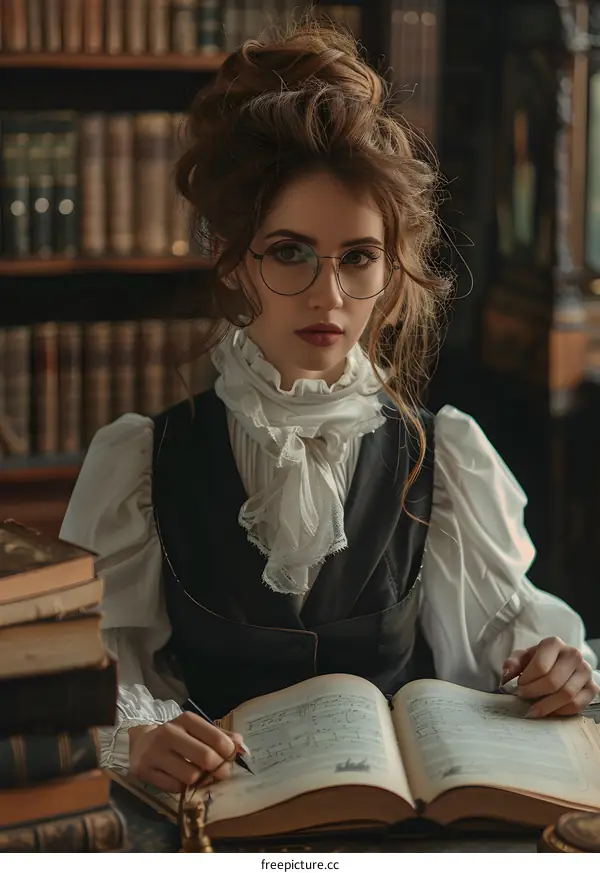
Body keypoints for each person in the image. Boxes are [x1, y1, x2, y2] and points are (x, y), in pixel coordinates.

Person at [61, 21, 598, 795]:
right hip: (218, 822)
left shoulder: (445, 456)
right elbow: (96, 683)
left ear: (391, 267)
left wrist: (556, 667)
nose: (329, 295)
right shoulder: (142, 461)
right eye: (290, 252)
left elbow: (505, 651)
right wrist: (137, 739)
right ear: (231, 259)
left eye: (358, 258)